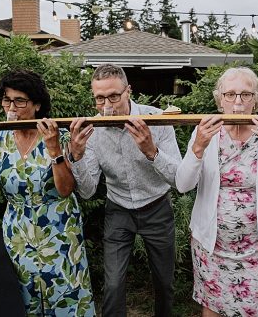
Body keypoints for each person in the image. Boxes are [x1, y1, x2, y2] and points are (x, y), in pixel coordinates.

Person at [0, 69, 95, 316]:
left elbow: (65, 190)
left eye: (20, 101)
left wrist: (54, 149)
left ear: (37, 105)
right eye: (7, 100)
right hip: (18, 236)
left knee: (67, 296)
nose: (11, 107)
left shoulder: (59, 136)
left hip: (60, 234)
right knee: (26, 300)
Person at [175, 67, 258, 317]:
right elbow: (183, 185)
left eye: (245, 94)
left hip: (255, 247)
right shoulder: (204, 132)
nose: (238, 102)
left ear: (255, 100)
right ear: (220, 100)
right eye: (230, 94)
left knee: (251, 310)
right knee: (212, 309)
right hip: (211, 244)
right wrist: (198, 148)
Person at [68, 64, 180, 317]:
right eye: (99, 98)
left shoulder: (157, 119)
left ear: (128, 91)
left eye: (114, 96)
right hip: (118, 210)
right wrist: (76, 156)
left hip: (157, 207)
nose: (107, 104)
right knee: (114, 284)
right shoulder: (92, 131)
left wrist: (152, 151)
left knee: (164, 281)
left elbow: (178, 179)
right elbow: (86, 191)